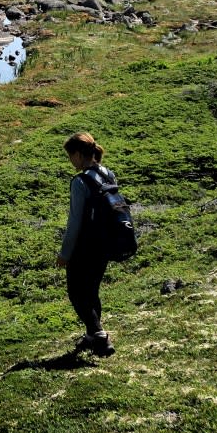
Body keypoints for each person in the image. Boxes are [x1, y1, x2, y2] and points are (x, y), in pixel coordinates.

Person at [56, 132, 122, 356]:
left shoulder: (80, 181)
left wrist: (65, 254)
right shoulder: (108, 174)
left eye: (70, 156)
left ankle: (100, 336)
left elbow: (75, 222)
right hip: (105, 244)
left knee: (76, 293)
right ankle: (91, 336)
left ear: (77, 154)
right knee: (91, 292)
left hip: (85, 246)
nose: (70, 161)